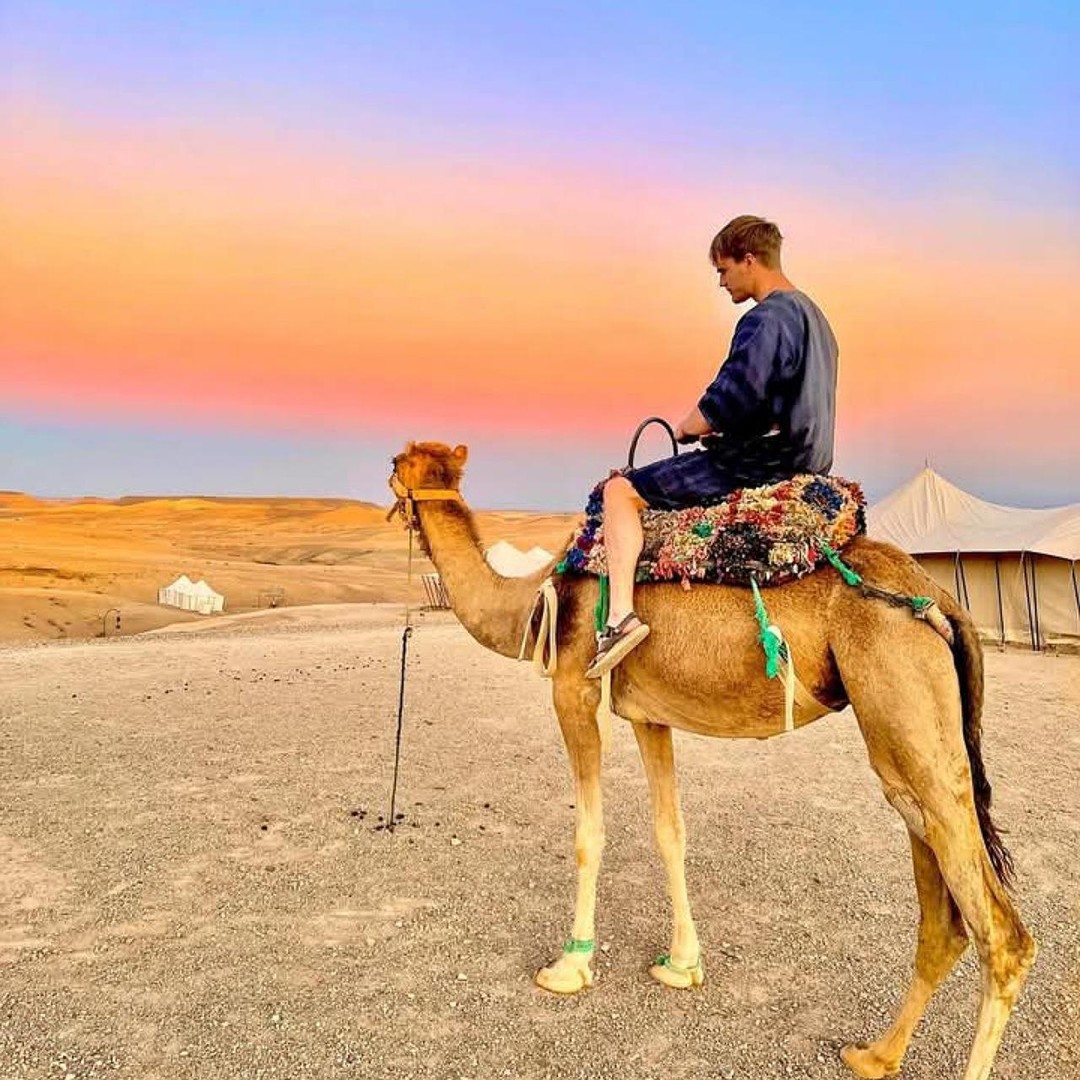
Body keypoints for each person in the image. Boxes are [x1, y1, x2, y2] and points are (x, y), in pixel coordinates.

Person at [586, 215, 839, 679]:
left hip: (760, 464)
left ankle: (620, 620)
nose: (721, 283)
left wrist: (691, 425)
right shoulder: (819, 322)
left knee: (619, 492)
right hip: (809, 460)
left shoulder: (765, 319)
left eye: (723, 270)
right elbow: (780, 401)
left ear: (749, 260)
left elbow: (734, 396)